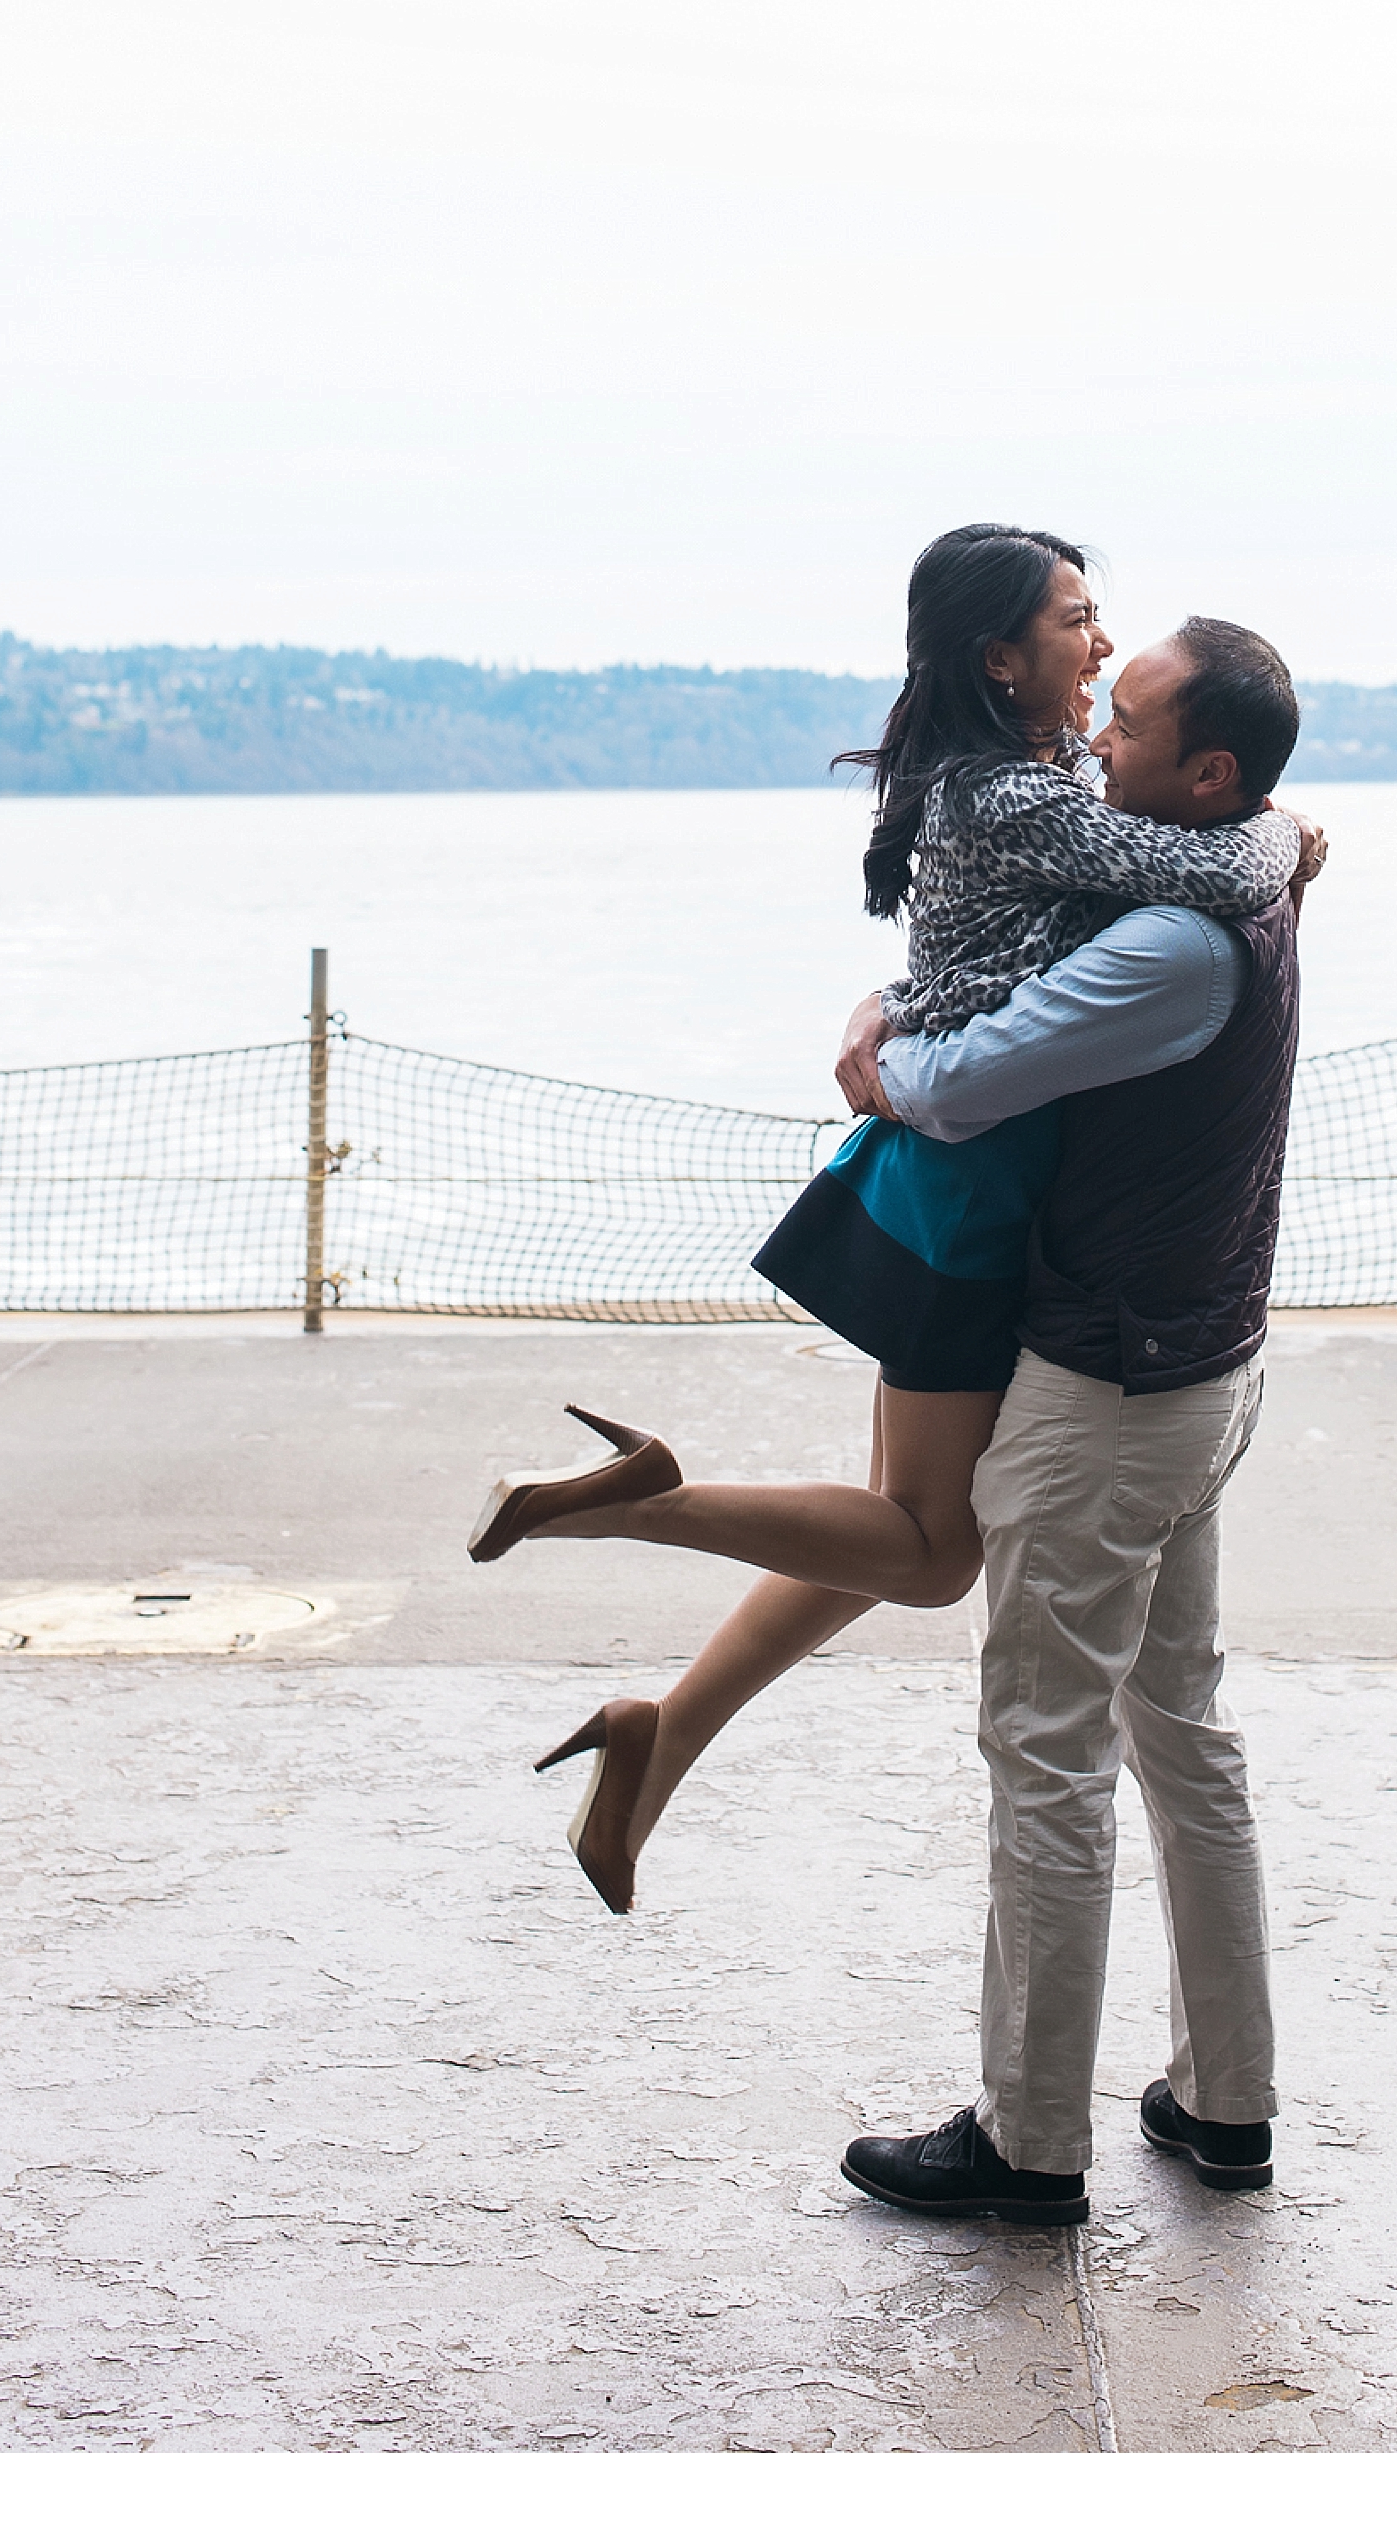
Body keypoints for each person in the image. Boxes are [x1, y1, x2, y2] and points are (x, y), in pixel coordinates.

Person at [464, 539, 1316, 1938]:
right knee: (928, 1555)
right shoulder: (1013, 793)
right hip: (970, 1185)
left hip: (971, 1178)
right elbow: (1215, 868)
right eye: (1081, 624)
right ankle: (633, 1499)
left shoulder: (1027, 782)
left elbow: (996, 938)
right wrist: (1292, 833)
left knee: (888, 1534)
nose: (1101, 654)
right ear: (1002, 656)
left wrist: (885, 999)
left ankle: (657, 1733)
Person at [833, 611, 1310, 2224]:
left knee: (1046, 1753)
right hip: (1200, 1370)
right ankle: (1225, 2103)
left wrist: (877, 1042)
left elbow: (966, 1084)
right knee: (1183, 1735)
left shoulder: (1167, 941)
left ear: (1212, 771)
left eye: (1134, 727)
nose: (1098, 740)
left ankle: (1030, 2143)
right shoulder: (1232, 865)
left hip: (1108, 1391)